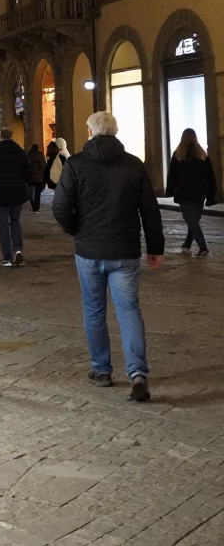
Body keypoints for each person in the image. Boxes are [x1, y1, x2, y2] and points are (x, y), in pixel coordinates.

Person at [52, 110, 164, 403]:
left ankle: (101, 370)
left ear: (90, 133)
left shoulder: (75, 164)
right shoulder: (134, 165)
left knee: (93, 310)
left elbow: (60, 206)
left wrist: (77, 229)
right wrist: (155, 247)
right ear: (115, 133)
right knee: (129, 311)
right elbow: (150, 210)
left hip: (89, 250)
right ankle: (138, 374)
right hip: (124, 250)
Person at [165, 128, 217, 256]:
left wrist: (170, 190)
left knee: (192, 221)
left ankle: (203, 247)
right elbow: (211, 177)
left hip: (185, 194)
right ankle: (187, 243)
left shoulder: (178, 156)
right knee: (193, 220)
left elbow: (172, 176)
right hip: (200, 194)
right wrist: (211, 193)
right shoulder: (203, 156)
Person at [0, 127, 30, 266]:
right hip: (17, 192)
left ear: (0, 136)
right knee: (15, 221)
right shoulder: (20, 151)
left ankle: (7, 257)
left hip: (1, 193)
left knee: (3, 225)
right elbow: (28, 173)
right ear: (12, 136)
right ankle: (18, 249)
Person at [27, 143, 46, 211]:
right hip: (39, 178)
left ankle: (34, 205)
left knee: (30, 194)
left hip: (30, 178)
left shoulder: (28, 155)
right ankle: (36, 207)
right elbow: (43, 166)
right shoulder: (40, 155)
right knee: (37, 194)